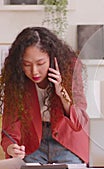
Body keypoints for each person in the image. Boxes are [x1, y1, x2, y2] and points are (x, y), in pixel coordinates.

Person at [0, 27, 89, 164]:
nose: (34, 71)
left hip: (68, 143)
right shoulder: (16, 76)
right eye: (27, 64)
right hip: (32, 144)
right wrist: (11, 147)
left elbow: (79, 122)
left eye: (40, 63)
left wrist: (62, 92)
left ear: (52, 59)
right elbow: (10, 126)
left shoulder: (69, 67)